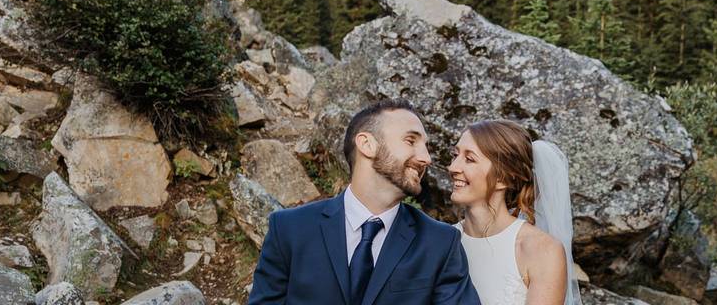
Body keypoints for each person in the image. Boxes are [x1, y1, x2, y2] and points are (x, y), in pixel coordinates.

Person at [248, 98, 481, 305]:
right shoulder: (289, 229)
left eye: (426, 147)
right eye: (411, 141)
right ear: (367, 144)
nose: (426, 158)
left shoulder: (440, 242)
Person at [448, 120, 582, 305]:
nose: (453, 167)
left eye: (469, 159)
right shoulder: (442, 240)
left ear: (503, 178)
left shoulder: (541, 250)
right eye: (454, 155)